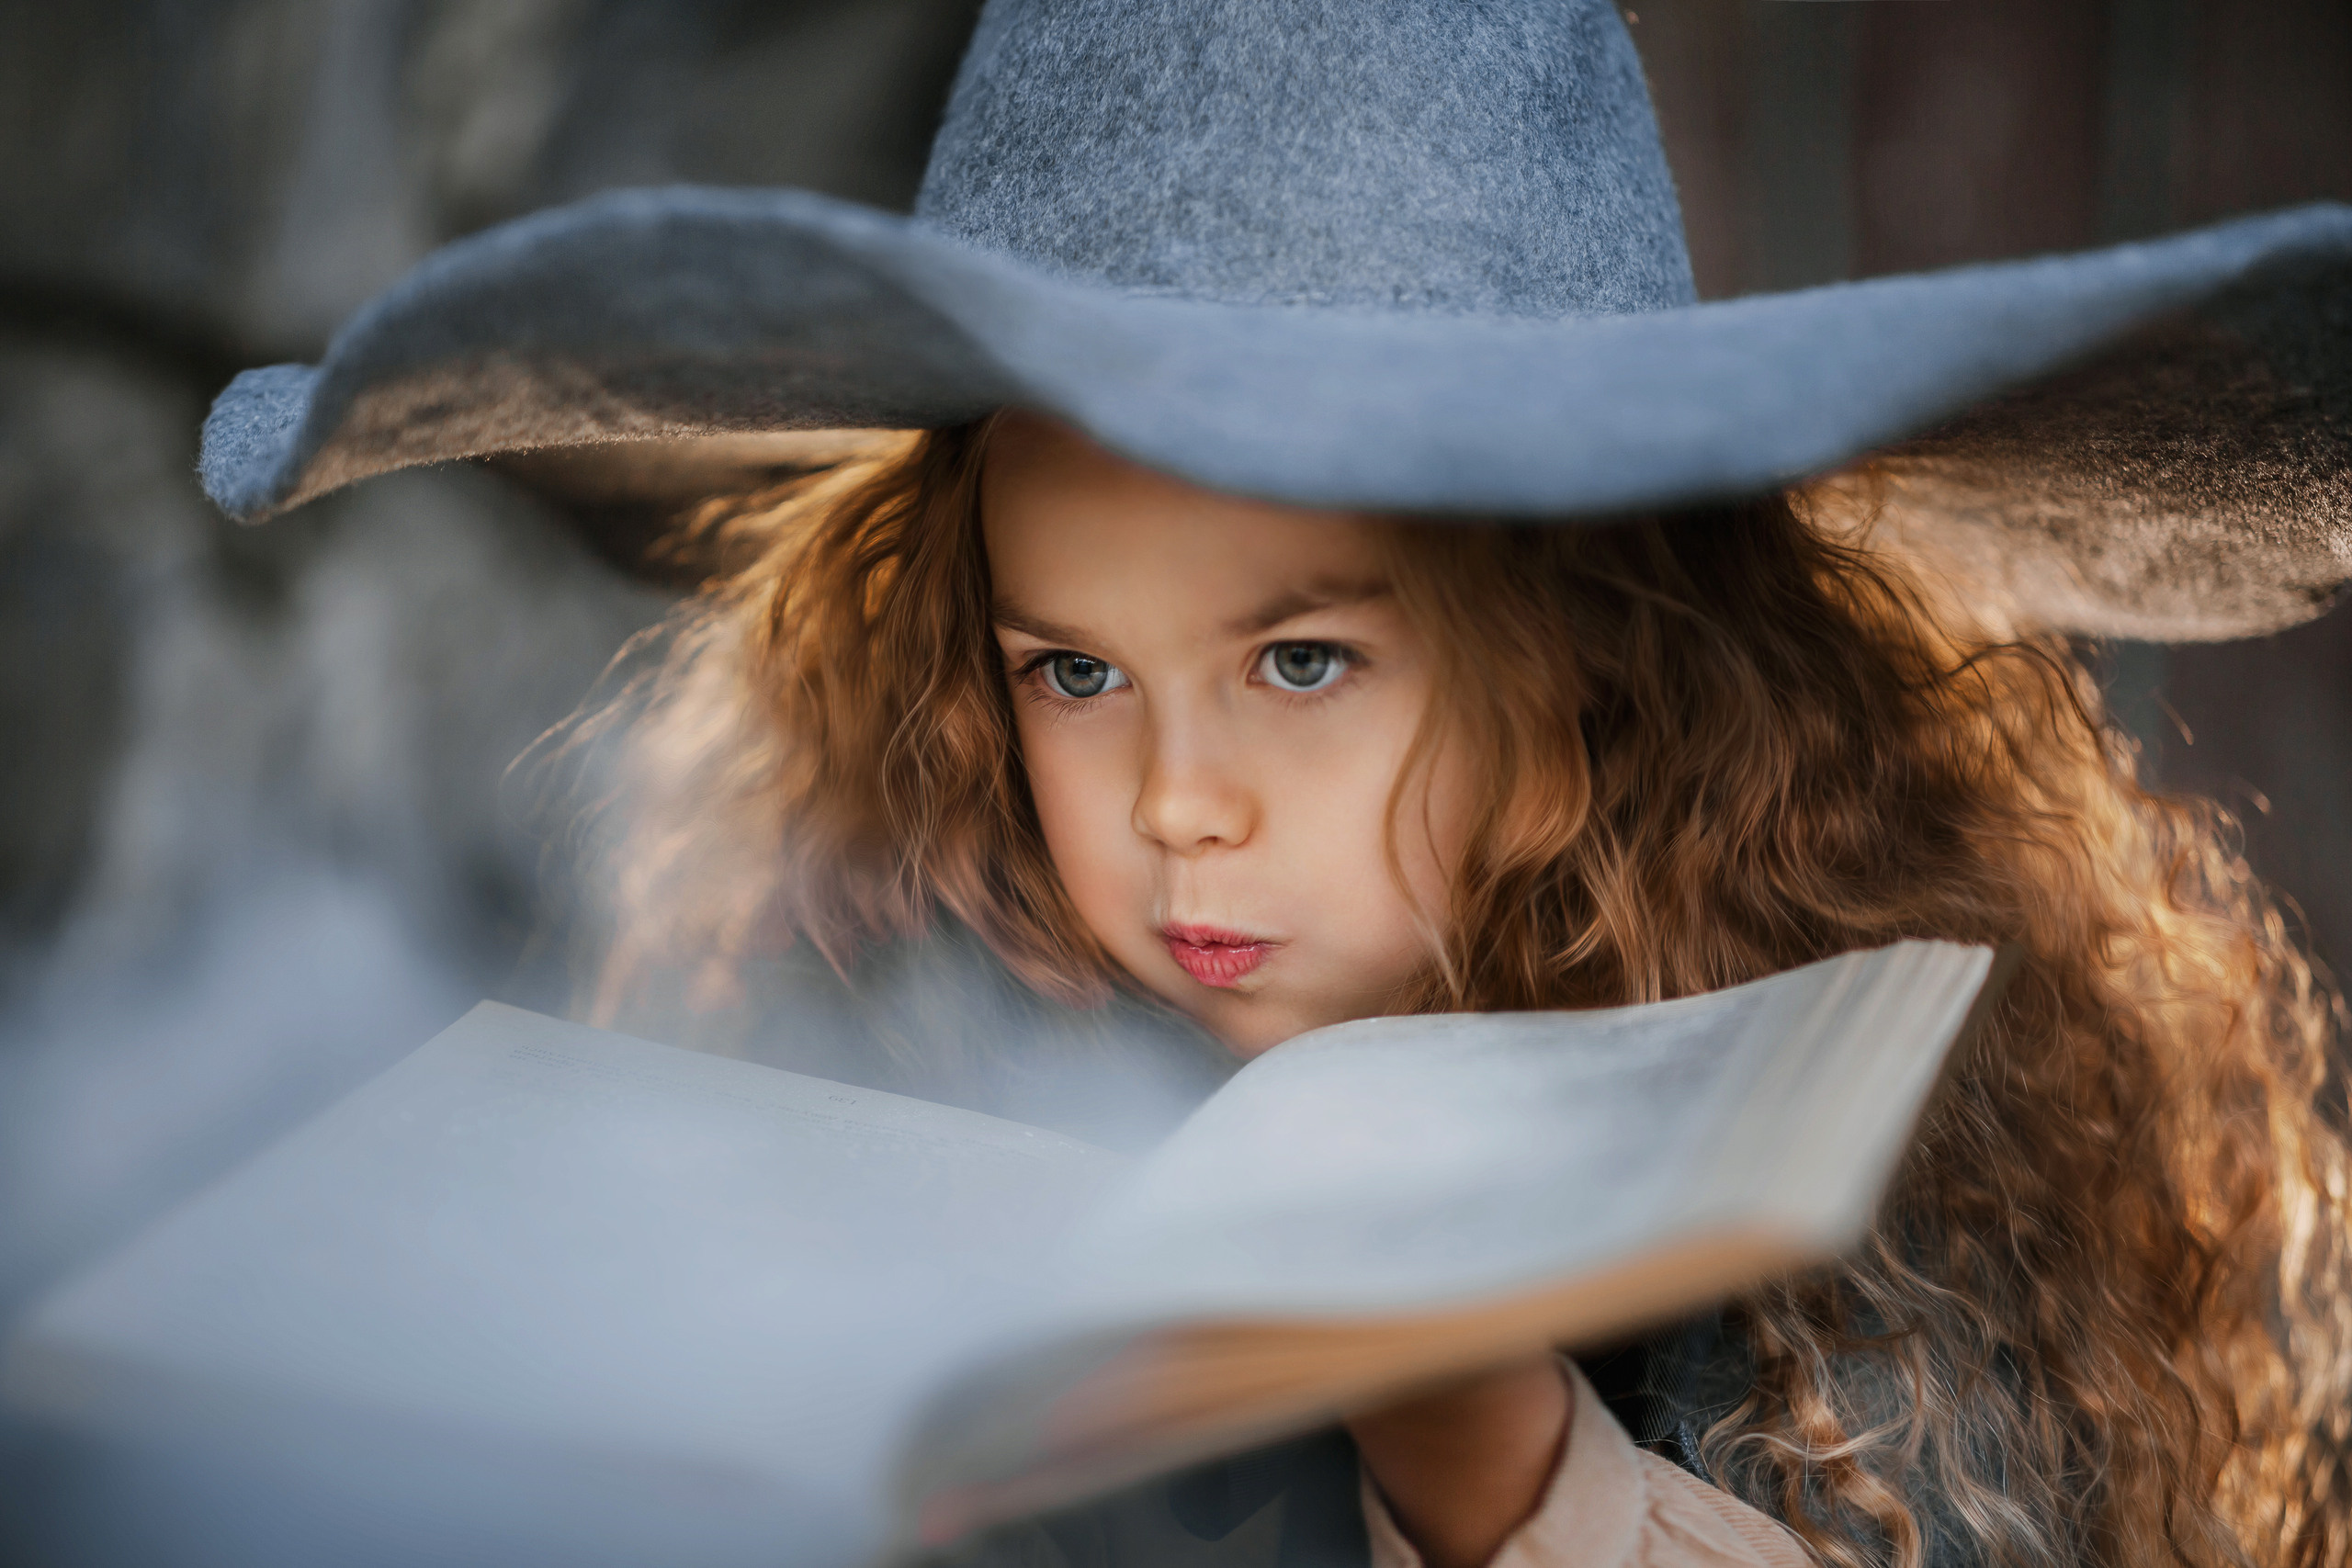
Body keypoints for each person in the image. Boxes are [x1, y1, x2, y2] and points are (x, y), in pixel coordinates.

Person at [195, 4, 2352, 1564]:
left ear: (1600, 663)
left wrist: (1492, 1452)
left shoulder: (1871, 1229)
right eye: (1070, 670)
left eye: (1300, 657)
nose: (1176, 802)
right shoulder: (918, 1088)